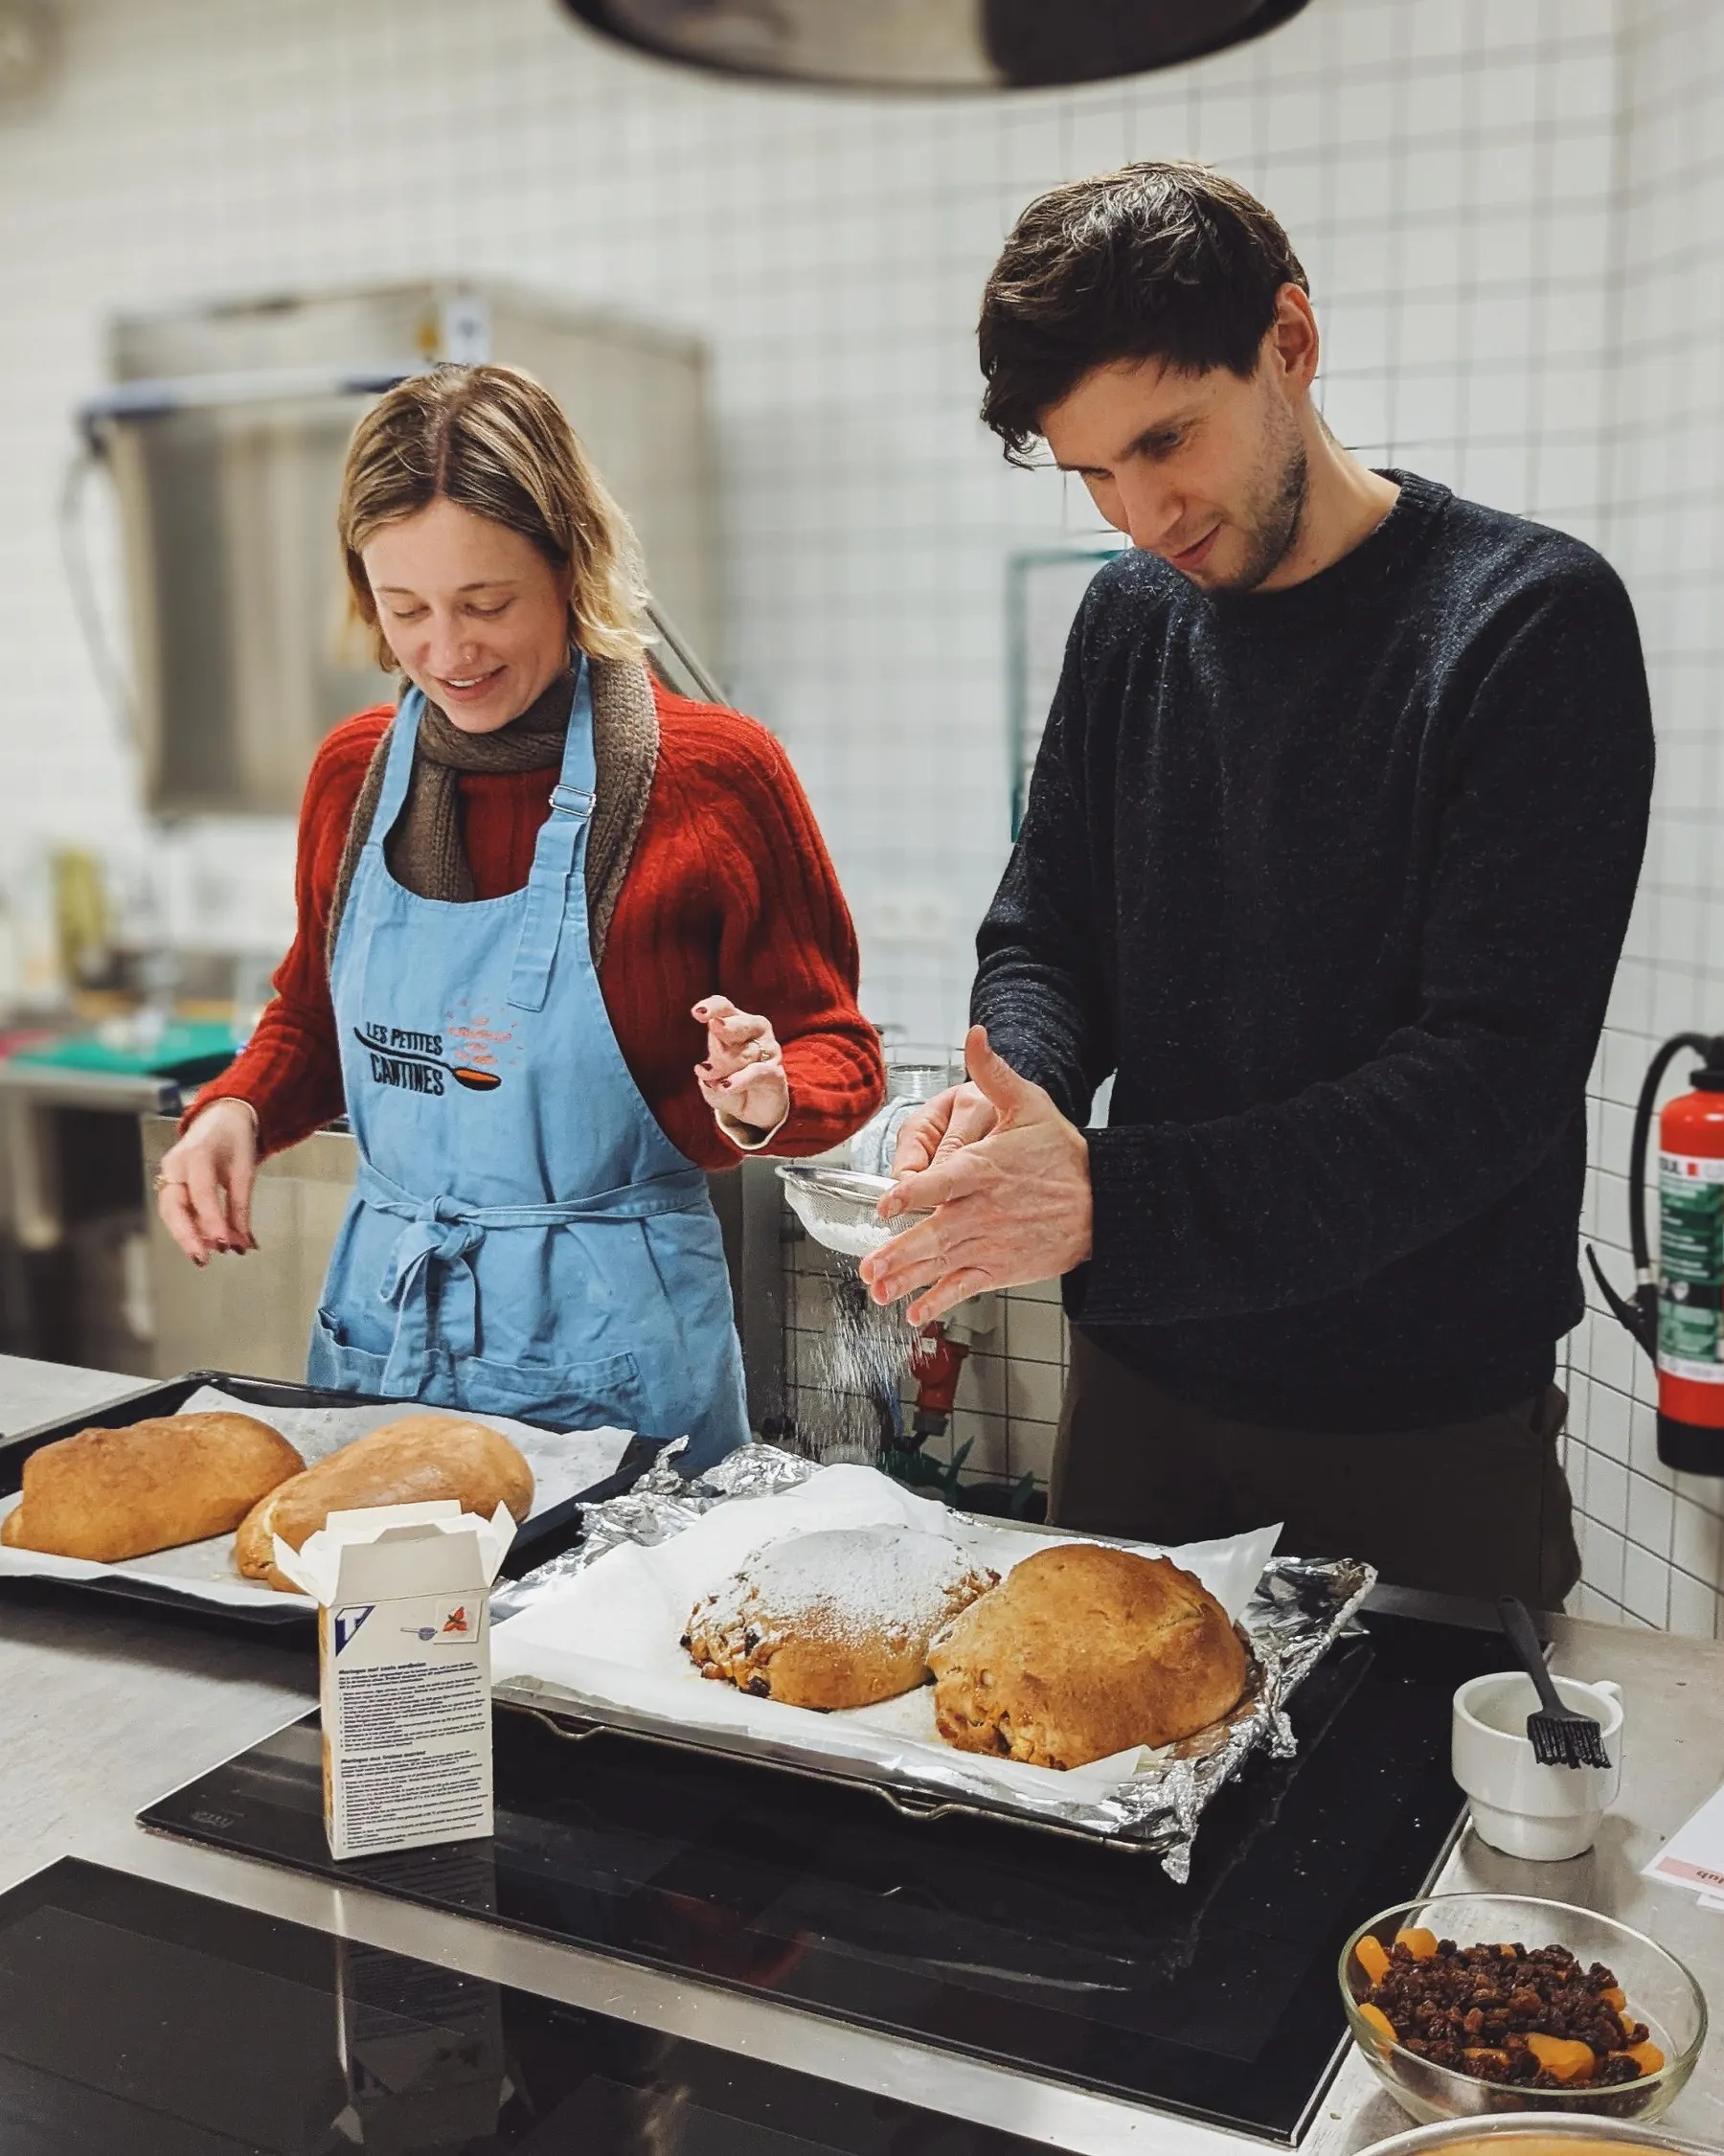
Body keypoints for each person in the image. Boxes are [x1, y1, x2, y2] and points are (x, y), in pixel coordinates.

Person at [861, 164, 1653, 1603]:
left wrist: (1110, 1201)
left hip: (1421, 1427)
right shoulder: (1130, 619)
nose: (1141, 515)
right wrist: (1018, 1087)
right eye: (1094, 472)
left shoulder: (1527, 623)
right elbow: (1049, 933)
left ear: (1290, 339)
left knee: (1403, 1764)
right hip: (1140, 1391)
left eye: (1166, 441)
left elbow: (1486, 1083)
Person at [158, 363, 882, 1470]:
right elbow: (310, 1017)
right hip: (388, 1334)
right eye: (407, 609)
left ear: (570, 564)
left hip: (615, 1360)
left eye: (486, 604)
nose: (448, 653)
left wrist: (764, 1097)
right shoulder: (354, 775)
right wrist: (238, 1110)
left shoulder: (716, 776)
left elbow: (839, 1049)